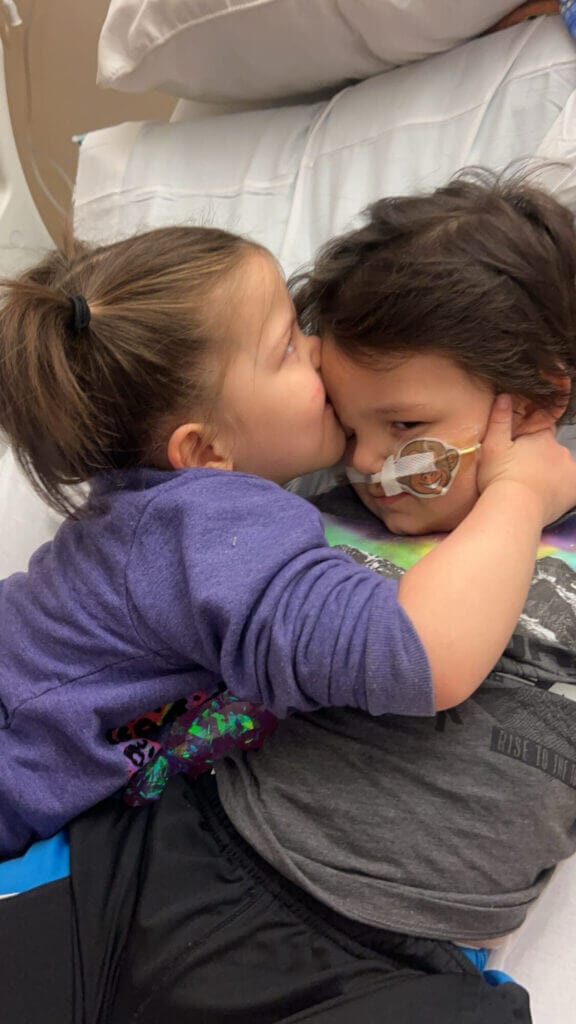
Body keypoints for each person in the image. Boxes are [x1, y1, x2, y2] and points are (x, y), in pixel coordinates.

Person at [2, 223, 570, 860]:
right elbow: (424, 657)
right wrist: (518, 493)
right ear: (205, 450)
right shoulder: (211, 525)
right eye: (287, 348)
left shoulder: (150, 510)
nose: (320, 349)